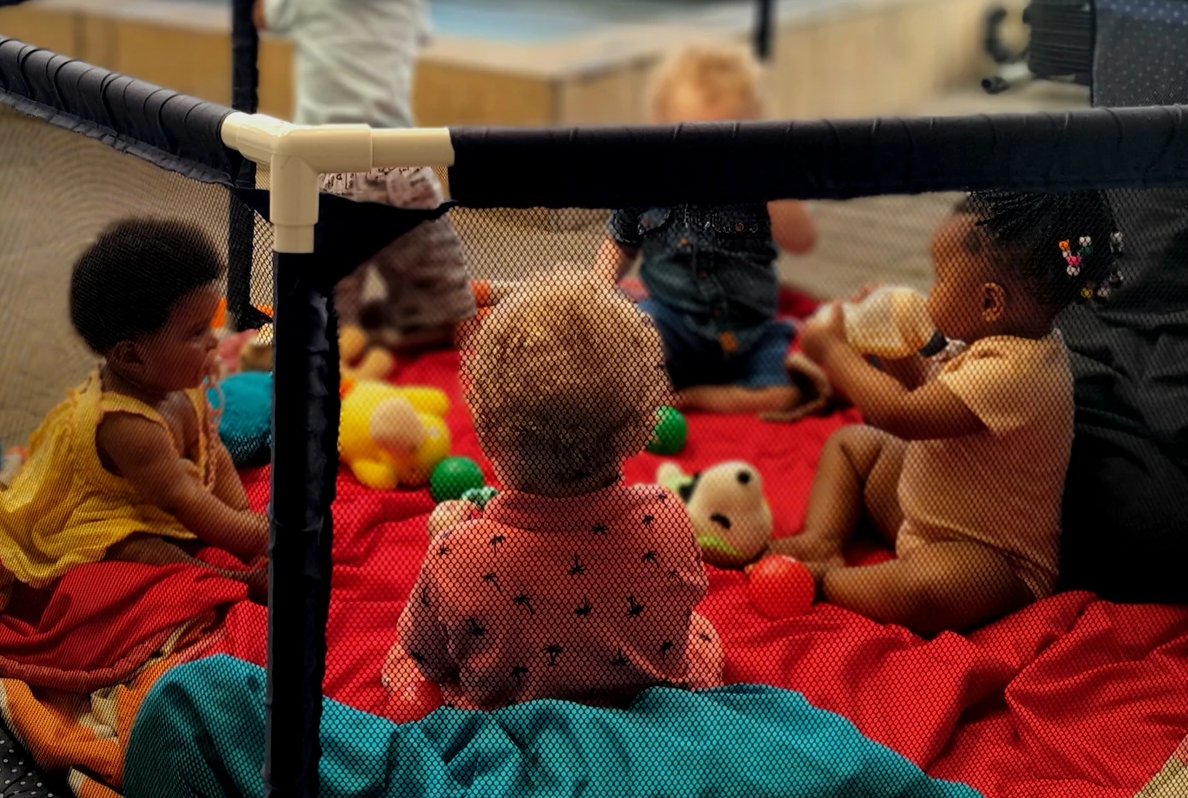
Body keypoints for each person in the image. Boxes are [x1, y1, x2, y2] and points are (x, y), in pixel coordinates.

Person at [768, 191, 1119, 636]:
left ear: (990, 303)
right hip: (923, 515)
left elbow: (900, 415)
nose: (929, 292)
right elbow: (922, 397)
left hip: (989, 558)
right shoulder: (982, 339)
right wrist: (892, 343)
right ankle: (824, 538)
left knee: (937, 586)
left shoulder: (1017, 372)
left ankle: (828, 579)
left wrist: (833, 351)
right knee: (853, 445)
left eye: (939, 279)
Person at [386, 270, 724, 710]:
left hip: (511, 715)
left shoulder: (460, 553)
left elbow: (425, 654)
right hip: (642, 698)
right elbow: (680, 607)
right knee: (698, 631)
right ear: (641, 427)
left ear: (487, 430)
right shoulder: (666, 514)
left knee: (413, 664)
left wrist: (444, 541)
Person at [0, 218, 269, 592]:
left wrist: (247, 520)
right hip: (93, 510)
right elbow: (183, 500)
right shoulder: (127, 426)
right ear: (132, 356)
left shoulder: (174, 376)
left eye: (211, 325)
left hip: (150, 491)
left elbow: (211, 448)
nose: (216, 341)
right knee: (139, 549)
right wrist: (264, 538)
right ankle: (234, 581)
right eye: (197, 333)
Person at [254, 0, 474, 349]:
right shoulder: (405, 0)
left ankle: (339, 335)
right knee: (432, 270)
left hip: (324, 165)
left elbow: (265, 15)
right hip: (401, 161)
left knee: (328, 280)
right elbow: (419, 36)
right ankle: (424, 324)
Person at [597, 44, 816, 413]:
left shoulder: (757, 185)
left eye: (720, 144)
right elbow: (620, 241)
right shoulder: (646, 182)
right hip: (671, 323)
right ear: (657, 132)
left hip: (752, 334)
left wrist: (771, 181)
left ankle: (703, 398)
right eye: (684, 140)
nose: (700, 159)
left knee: (792, 389)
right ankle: (657, 383)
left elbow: (802, 240)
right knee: (623, 348)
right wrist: (597, 293)